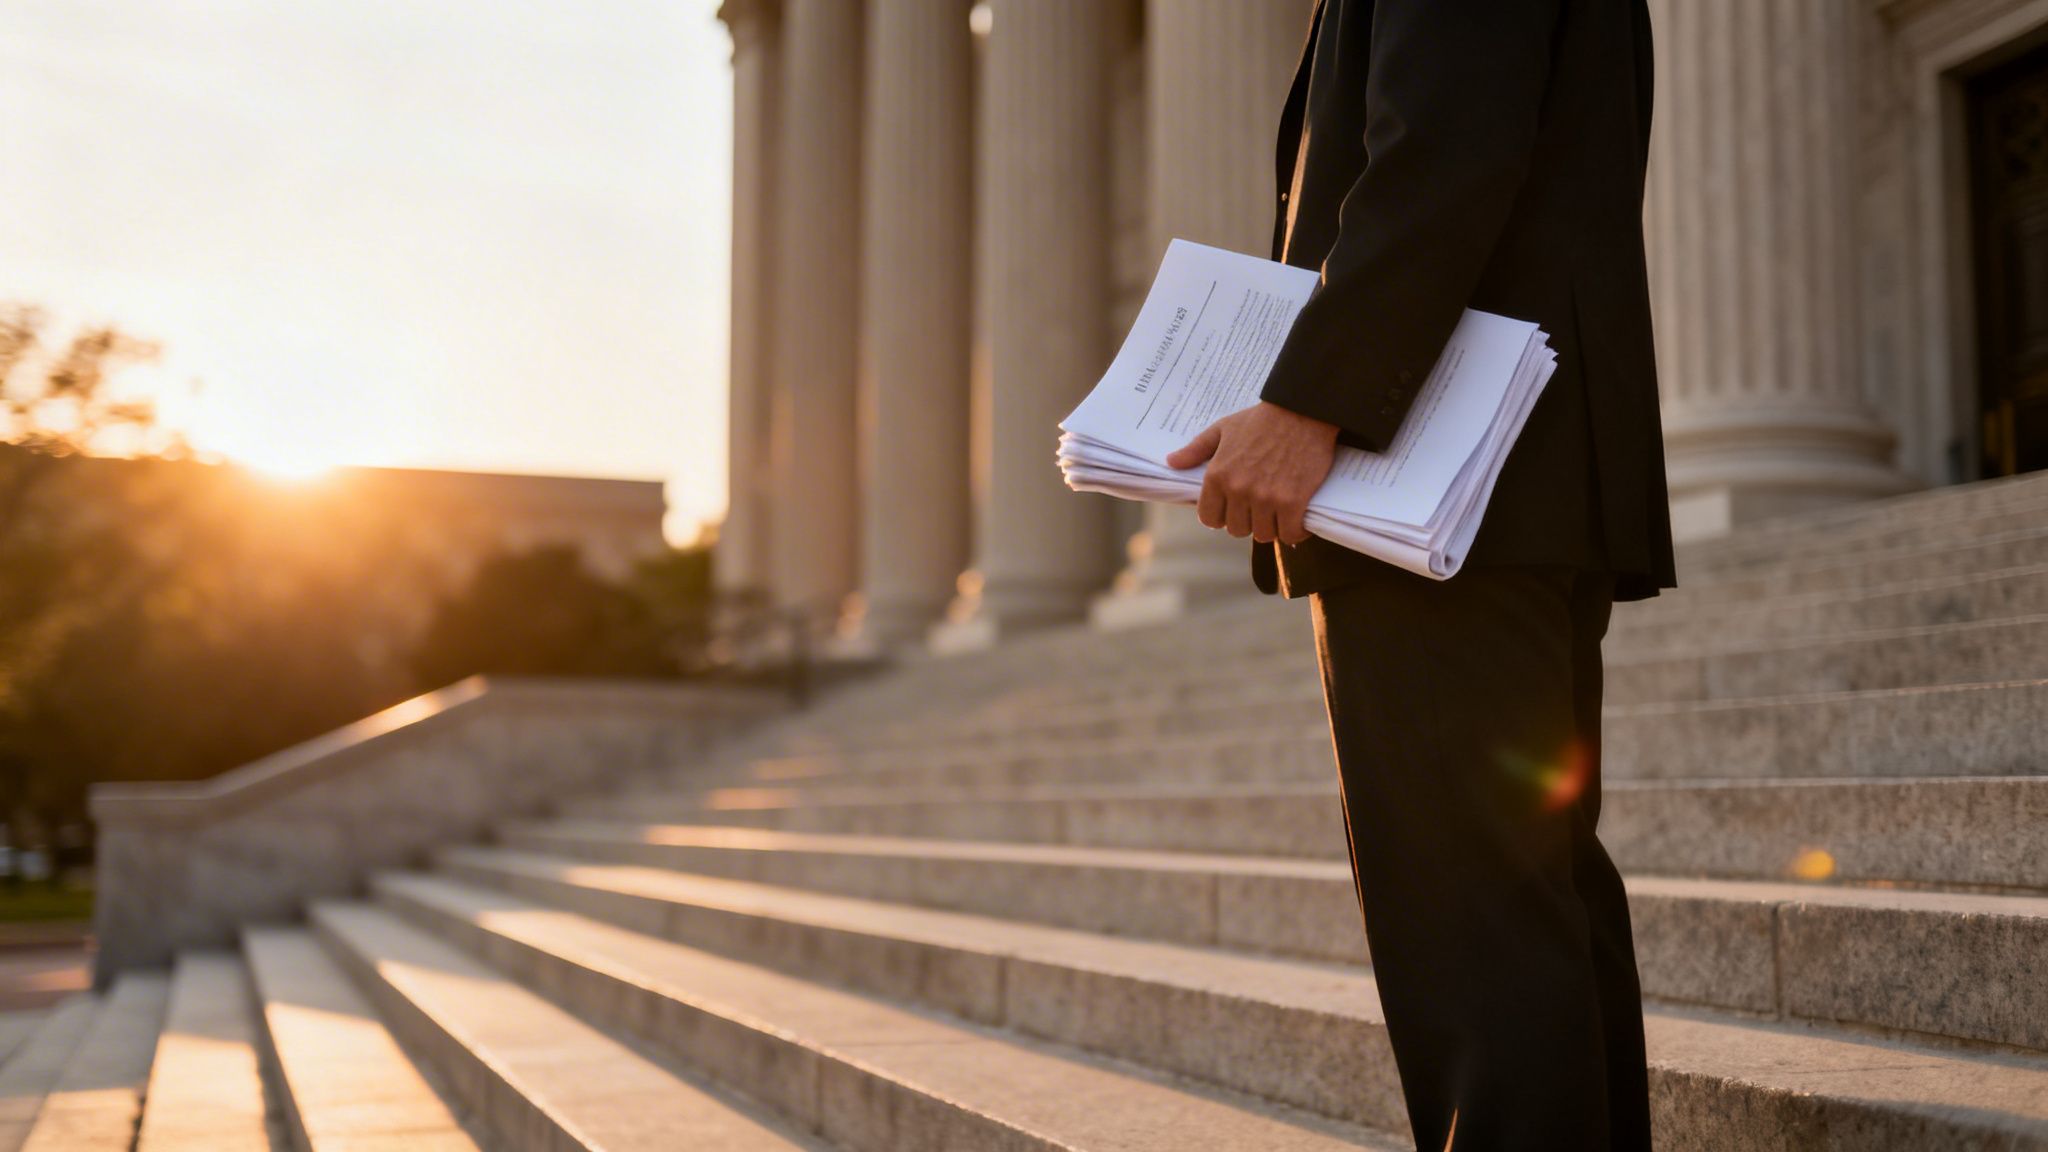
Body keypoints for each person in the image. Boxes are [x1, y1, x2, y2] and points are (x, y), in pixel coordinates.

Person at [1164, 1, 1677, 1149]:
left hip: (1442, 482)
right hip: (1504, 479)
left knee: (1473, 931)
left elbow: (1442, 149)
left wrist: (1311, 398)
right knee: (1521, 909)